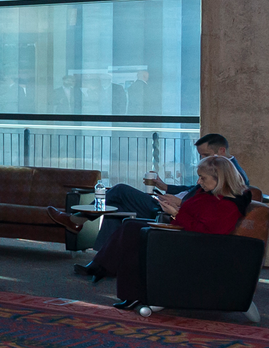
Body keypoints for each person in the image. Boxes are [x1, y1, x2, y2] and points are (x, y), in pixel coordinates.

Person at [55, 156, 252, 310]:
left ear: (220, 180)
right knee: (130, 227)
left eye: (203, 178)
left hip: (192, 244)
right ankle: (114, 278)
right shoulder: (210, 194)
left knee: (133, 231)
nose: (199, 181)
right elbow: (198, 216)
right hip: (183, 233)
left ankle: (107, 271)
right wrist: (177, 207)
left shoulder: (227, 206)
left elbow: (207, 233)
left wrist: (176, 213)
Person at [98, 133, 250, 224]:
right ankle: (101, 261)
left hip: (171, 211)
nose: (202, 159)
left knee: (120, 190)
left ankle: (83, 215)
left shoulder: (232, 174)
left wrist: (180, 204)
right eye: (200, 155)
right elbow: (193, 189)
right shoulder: (214, 172)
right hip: (172, 205)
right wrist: (164, 187)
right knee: (118, 208)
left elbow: (209, 206)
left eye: (205, 155)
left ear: (221, 151)